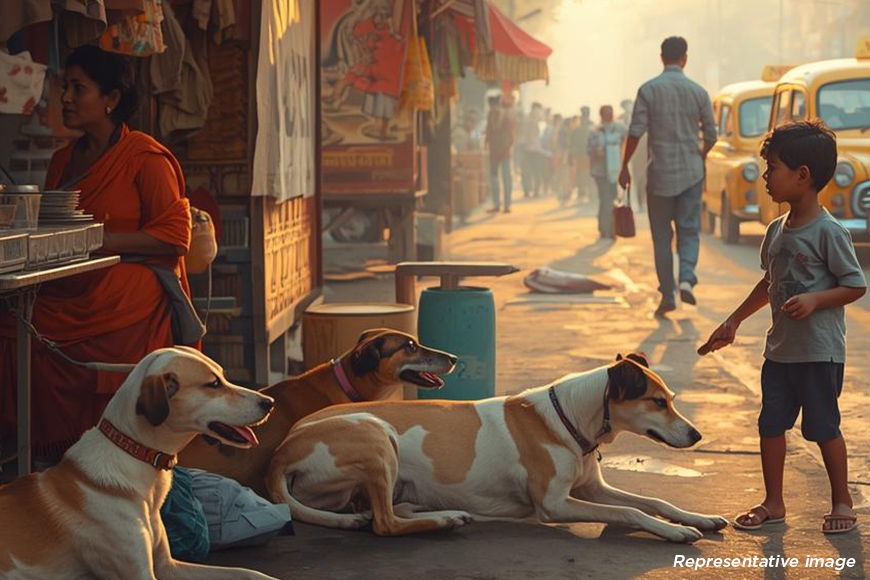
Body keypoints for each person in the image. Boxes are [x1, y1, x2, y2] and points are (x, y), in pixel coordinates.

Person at [0, 45, 192, 462]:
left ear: (111, 99)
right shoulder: (62, 160)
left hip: (128, 292)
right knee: (11, 327)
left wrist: (94, 238)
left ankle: (87, 449)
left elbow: (175, 237)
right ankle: (36, 455)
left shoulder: (145, 156)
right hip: (69, 282)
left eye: (78, 88)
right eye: (63, 87)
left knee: (24, 333)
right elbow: (52, 228)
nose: (65, 98)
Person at [700, 120, 866, 535]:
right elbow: (769, 281)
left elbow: (855, 284)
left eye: (772, 168)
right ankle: (774, 503)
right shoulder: (776, 231)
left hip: (819, 353)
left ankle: (841, 500)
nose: (765, 177)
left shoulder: (829, 233)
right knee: (770, 424)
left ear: (802, 175)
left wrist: (815, 299)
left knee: (823, 427)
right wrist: (734, 320)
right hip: (779, 352)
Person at [619, 36, 716, 316]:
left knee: (662, 236)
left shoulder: (648, 90)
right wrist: (700, 156)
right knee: (688, 231)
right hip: (691, 173)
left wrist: (624, 166)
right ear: (685, 58)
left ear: (661, 58)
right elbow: (711, 134)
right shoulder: (699, 92)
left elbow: (635, 132)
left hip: (659, 174)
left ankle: (667, 295)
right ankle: (686, 278)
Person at [587, 105, 626, 240]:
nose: (608, 116)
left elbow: (625, 144)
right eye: (606, 114)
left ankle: (608, 226)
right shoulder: (595, 132)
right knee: (605, 199)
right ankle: (606, 229)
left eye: (610, 113)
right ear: (601, 115)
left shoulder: (619, 129)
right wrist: (598, 153)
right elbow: (589, 150)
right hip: (600, 171)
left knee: (612, 197)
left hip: (615, 169)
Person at [485, 95, 514, 213]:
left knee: (496, 178)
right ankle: (505, 205)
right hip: (502, 151)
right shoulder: (506, 116)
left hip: (497, 151)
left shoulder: (492, 115)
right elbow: (511, 136)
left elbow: (488, 134)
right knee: (504, 178)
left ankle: (498, 204)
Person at [619, 99, 647, 212]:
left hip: (641, 149)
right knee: (636, 176)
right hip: (634, 150)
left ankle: (640, 201)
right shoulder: (623, 120)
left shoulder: (642, 117)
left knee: (641, 176)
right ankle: (635, 201)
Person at [518, 102, 544, 198]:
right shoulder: (528, 120)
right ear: (534, 109)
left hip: (536, 150)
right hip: (528, 149)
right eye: (537, 109)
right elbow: (524, 134)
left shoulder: (539, 121)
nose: (538, 112)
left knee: (535, 171)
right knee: (527, 171)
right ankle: (527, 190)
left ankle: (535, 190)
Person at [570, 107, 593, 204]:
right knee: (589, 174)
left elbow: (572, 142)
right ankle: (590, 194)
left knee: (580, 175)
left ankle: (582, 194)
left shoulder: (578, 128)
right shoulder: (591, 126)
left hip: (580, 155)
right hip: (588, 155)